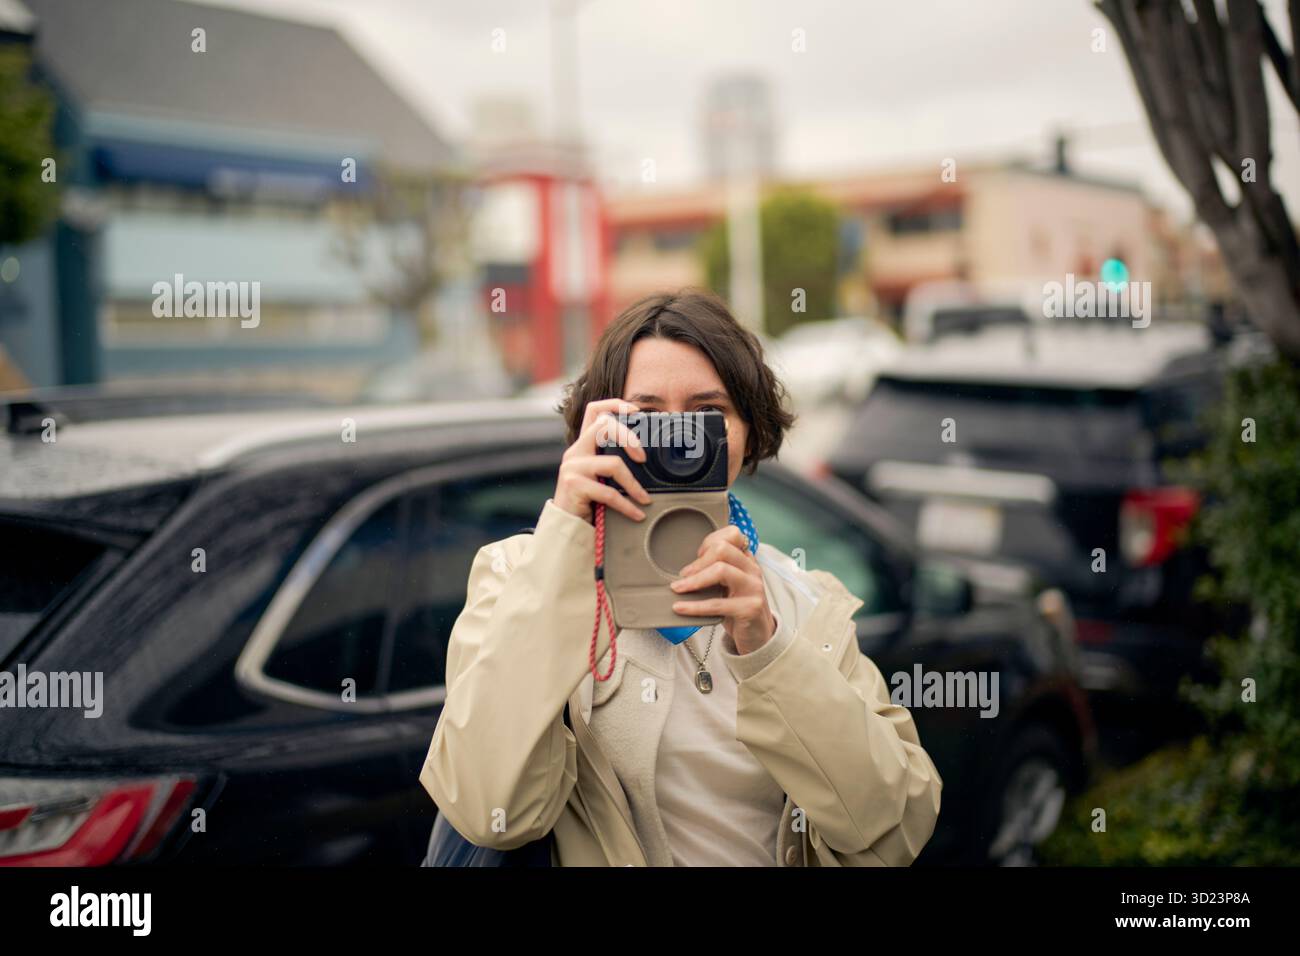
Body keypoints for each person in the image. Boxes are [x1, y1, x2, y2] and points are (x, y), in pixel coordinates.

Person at [419, 288, 942, 866]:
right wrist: (568, 533)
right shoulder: (522, 573)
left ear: (747, 435)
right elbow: (488, 807)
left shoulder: (804, 604)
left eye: (707, 414)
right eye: (644, 416)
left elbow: (894, 830)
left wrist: (768, 649)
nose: (679, 437)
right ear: (599, 428)